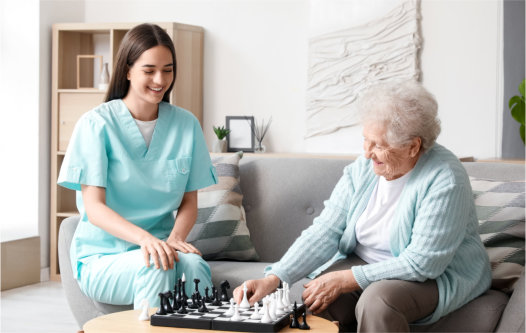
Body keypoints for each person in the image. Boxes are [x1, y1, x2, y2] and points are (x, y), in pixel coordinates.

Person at [233, 81, 491, 332]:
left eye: (378, 145)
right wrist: (275, 279)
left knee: (377, 303)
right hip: (365, 261)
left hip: (433, 276)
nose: (367, 153)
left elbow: (423, 263)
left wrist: (347, 278)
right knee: (315, 297)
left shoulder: (445, 177)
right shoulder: (363, 168)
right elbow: (326, 230)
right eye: (365, 140)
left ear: (413, 147)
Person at [58, 23, 217, 309]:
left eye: (168, 70)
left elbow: (189, 201)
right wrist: (146, 241)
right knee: (156, 264)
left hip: (162, 247)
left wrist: (175, 239)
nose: (160, 79)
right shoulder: (96, 125)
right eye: (149, 70)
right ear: (128, 70)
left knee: (194, 266)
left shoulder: (186, 125)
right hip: (104, 256)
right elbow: (94, 208)